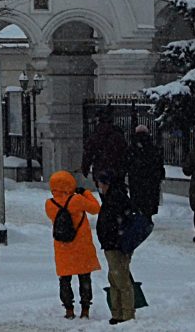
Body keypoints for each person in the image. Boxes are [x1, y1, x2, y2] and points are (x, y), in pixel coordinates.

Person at [46, 169, 100, 320]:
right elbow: (95, 209)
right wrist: (85, 193)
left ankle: (69, 309)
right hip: (81, 246)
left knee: (65, 280)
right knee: (84, 278)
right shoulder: (77, 201)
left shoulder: (50, 204)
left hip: (63, 247)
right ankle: (85, 309)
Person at [95, 169, 141, 324]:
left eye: (100, 183)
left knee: (120, 280)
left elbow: (114, 223)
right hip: (113, 244)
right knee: (115, 279)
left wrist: (115, 240)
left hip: (116, 245)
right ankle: (118, 313)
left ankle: (126, 315)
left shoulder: (115, 199)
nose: (99, 187)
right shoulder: (114, 197)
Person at [125, 124, 164, 218]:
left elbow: (126, 163)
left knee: (137, 205)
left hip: (136, 181)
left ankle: (139, 221)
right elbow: (159, 164)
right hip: (151, 182)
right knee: (148, 207)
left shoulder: (132, 148)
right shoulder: (153, 148)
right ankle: (147, 222)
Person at [83, 108, 127, 182]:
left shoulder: (95, 136)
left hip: (100, 170)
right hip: (116, 171)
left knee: (103, 190)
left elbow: (88, 153)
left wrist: (85, 168)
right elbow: (125, 154)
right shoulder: (118, 135)